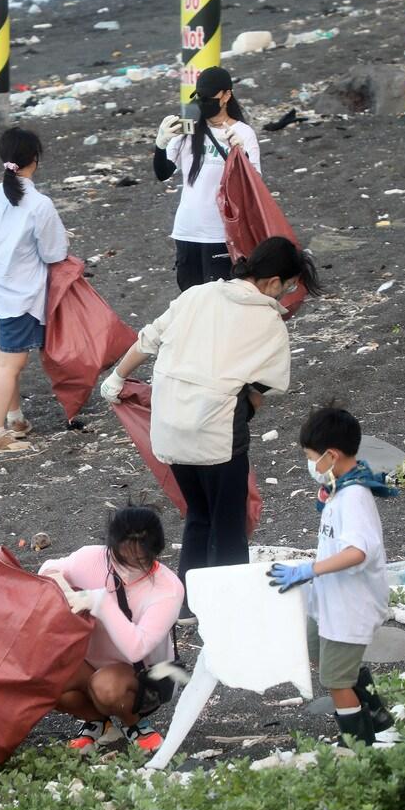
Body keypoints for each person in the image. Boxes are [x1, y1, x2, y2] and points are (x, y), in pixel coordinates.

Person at [100, 237, 319, 590]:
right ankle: (228, 602)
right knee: (228, 523)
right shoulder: (268, 322)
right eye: (290, 284)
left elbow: (148, 339)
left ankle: (187, 600)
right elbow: (265, 387)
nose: (288, 292)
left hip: (169, 424)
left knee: (198, 515)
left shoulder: (197, 295)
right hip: (216, 433)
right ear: (275, 282)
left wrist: (116, 378)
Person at [268, 406, 398, 745]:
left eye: (312, 458)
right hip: (329, 599)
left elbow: (358, 551)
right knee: (316, 650)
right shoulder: (342, 488)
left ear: (331, 455)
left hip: (350, 605)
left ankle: (357, 744)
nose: (311, 466)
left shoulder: (354, 497)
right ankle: (378, 717)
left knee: (336, 681)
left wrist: (308, 570)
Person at [38, 505, 185, 753]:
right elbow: (49, 568)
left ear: (155, 553)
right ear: (111, 547)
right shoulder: (93, 558)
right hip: (89, 662)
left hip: (141, 676)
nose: (129, 567)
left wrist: (100, 603)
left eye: (140, 560)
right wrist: (63, 587)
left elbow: (136, 649)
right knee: (43, 680)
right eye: (121, 557)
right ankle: (99, 723)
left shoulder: (168, 589)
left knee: (107, 688)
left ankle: (134, 724)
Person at [0, 126, 69, 454]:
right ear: (35, 160)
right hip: (17, 294)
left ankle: (14, 418)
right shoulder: (39, 204)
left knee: (0, 355)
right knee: (12, 365)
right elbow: (55, 253)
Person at [152, 66, 262, 292]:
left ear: (226, 95)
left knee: (220, 301)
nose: (204, 103)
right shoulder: (189, 129)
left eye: (210, 97)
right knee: (191, 301)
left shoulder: (243, 133)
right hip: (187, 230)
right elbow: (163, 173)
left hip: (221, 232)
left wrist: (241, 153)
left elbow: (255, 183)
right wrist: (161, 144)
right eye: (200, 97)